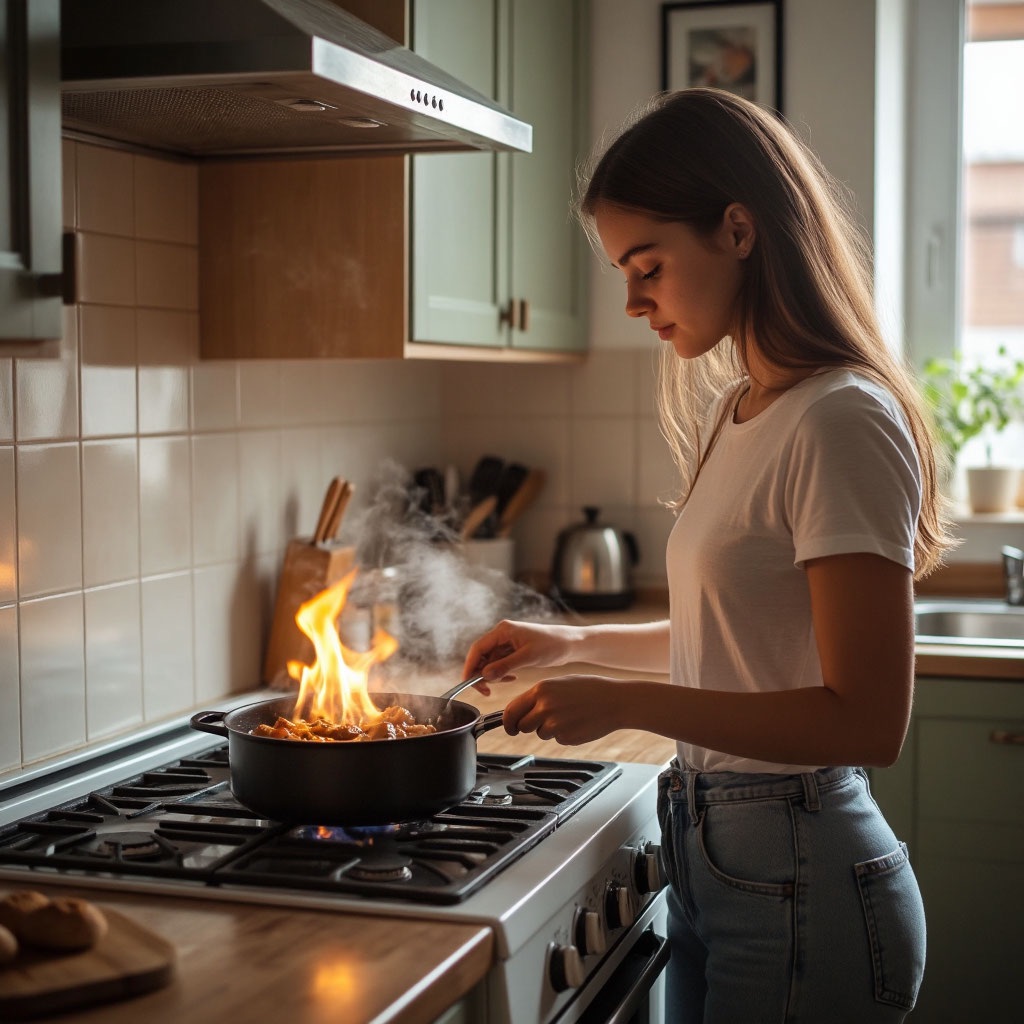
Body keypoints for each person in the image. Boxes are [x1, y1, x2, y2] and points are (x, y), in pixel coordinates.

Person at [461, 88, 955, 1023]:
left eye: (647, 265)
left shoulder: (841, 418)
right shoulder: (742, 410)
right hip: (718, 860)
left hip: (802, 873)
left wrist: (623, 702)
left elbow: (866, 720)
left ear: (737, 229)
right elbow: (733, 640)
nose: (632, 300)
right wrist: (574, 649)